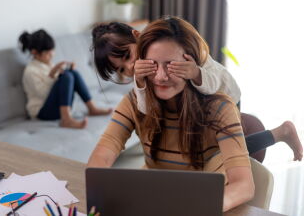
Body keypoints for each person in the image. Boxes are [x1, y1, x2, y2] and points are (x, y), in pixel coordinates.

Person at [88, 17, 257, 211]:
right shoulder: (134, 99)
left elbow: (244, 185)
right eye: (152, 65)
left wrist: (200, 208)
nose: (160, 76)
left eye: (170, 64)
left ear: (190, 62)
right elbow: (103, 154)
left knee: (244, 145)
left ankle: (276, 134)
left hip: (207, 199)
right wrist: (99, 191)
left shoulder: (219, 105)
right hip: (157, 200)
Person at [91, 20, 303, 161]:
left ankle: (281, 133)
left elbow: (215, 78)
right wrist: (139, 82)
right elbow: (146, 109)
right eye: (121, 69)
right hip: (192, 112)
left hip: (222, 94)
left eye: (127, 56)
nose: (128, 67)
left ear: (138, 36)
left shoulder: (174, 46)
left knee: (221, 153)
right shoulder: (143, 72)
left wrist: (195, 73)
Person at [19, 29, 111, 129]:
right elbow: (44, 94)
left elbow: (59, 86)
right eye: (48, 53)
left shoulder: (48, 64)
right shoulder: (30, 71)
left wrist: (63, 72)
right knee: (67, 76)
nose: (52, 55)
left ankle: (92, 108)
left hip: (56, 107)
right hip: (42, 112)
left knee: (72, 73)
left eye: (52, 51)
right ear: (34, 52)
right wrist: (52, 74)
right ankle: (66, 119)